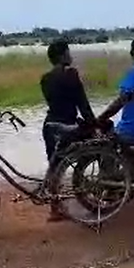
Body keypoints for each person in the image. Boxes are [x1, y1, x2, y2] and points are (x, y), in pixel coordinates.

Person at [40, 39, 98, 221]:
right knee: (99, 144)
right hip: (68, 127)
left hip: (50, 126)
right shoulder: (71, 75)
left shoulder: (45, 79)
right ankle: (103, 188)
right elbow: (83, 104)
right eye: (68, 52)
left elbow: (56, 104)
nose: (70, 55)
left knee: (54, 164)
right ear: (62, 55)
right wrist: (94, 124)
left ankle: (54, 208)